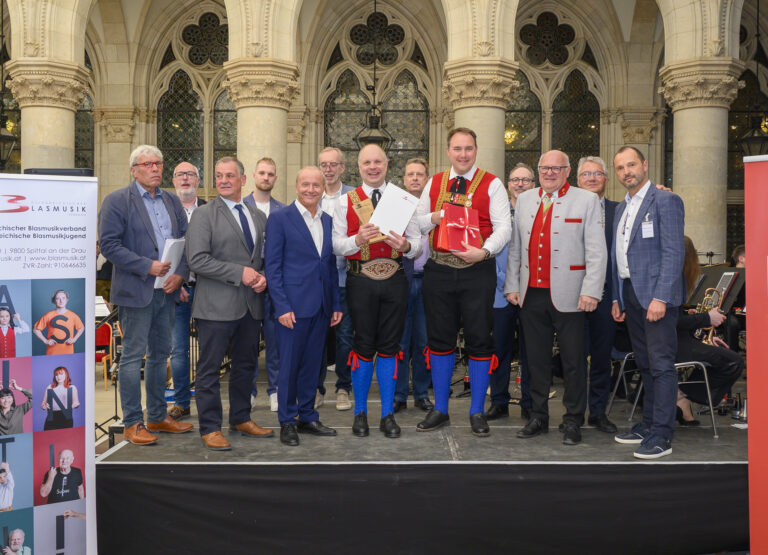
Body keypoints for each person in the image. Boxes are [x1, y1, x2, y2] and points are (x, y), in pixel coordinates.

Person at [414, 127, 511, 436]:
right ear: (448, 151)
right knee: (439, 339)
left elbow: (503, 227)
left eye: (468, 148)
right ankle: (440, 409)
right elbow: (416, 222)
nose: (463, 154)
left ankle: (476, 411)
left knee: (479, 338)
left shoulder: (492, 184)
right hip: (439, 270)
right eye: (457, 148)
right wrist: (436, 217)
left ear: (476, 150)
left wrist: (483, 252)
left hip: (477, 271)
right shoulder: (434, 182)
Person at [505, 150, 606, 445]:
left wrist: (590, 290)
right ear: (539, 171)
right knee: (535, 360)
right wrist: (512, 285)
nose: (550, 173)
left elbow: (596, 251)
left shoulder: (586, 200)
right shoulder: (525, 199)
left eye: (556, 168)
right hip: (531, 294)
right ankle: (538, 415)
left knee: (573, 361)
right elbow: (515, 249)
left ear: (567, 170)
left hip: (572, 294)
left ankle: (573, 419)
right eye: (544, 168)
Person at [98, 144, 194, 445]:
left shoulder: (170, 199)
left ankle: (156, 415)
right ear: (134, 169)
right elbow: (110, 246)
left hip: (166, 291)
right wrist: (147, 266)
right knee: (131, 358)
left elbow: (185, 241)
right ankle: (132, 422)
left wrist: (179, 276)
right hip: (136, 291)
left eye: (159, 163)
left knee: (160, 356)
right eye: (148, 164)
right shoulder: (116, 201)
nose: (155, 168)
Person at [332, 144, 422, 438]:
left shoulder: (403, 199)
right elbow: (335, 245)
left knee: (390, 346)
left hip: (395, 279)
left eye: (378, 162)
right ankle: (360, 413)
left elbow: (418, 242)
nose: (373, 167)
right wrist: (356, 240)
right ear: (358, 167)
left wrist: (407, 247)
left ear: (387, 165)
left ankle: (387, 415)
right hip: (360, 281)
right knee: (363, 345)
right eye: (367, 162)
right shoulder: (345, 201)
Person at [186, 156, 274, 451]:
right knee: (209, 369)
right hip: (215, 307)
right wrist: (242, 274)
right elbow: (196, 260)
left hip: (250, 306)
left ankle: (241, 418)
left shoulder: (257, 216)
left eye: (229, 176)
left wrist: (262, 277)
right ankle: (210, 427)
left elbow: (261, 260)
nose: (223, 180)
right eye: (218, 175)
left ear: (242, 179)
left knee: (246, 366)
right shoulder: (204, 214)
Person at [611, 145, 685, 460]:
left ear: (644, 164)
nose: (627, 172)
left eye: (631, 165)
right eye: (620, 168)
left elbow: (673, 253)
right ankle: (648, 423)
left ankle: (661, 435)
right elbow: (619, 256)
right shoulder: (621, 208)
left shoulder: (665, 200)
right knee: (644, 364)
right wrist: (617, 296)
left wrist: (661, 297)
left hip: (656, 297)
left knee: (661, 366)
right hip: (630, 294)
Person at [265, 166, 343, 446]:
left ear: (323, 188)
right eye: (305, 184)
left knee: (313, 367)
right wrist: (282, 307)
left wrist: (334, 302)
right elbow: (272, 268)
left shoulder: (327, 220)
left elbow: (330, 265)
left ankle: (307, 416)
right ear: (296, 186)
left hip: (321, 307)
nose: (311, 189)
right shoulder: (280, 219)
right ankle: (287, 420)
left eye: (316, 185)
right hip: (292, 310)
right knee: (289, 367)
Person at [675, 236, 744, 424]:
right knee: (734, 361)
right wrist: (706, 318)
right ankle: (681, 395)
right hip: (671, 344)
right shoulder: (673, 278)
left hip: (677, 339)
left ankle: (682, 397)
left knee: (721, 355)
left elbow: (674, 317)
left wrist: (705, 338)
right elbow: (671, 321)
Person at [487, 163, 535, 422]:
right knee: (500, 350)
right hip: (500, 294)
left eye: (525, 180)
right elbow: (490, 253)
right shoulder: (497, 213)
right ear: (508, 185)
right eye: (515, 180)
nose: (520, 184)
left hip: (531, 295)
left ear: (534, 184)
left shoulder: (541, 210)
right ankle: (499, 401)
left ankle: (529, 402)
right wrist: (507, 286)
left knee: (531, 351)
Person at [575, 156, 619, 434]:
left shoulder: (621, 210)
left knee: (602, 359)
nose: (591, 178)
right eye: (586, 174)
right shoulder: (563, 210)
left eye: (597, 174)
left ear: (606, 179)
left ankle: (599, 412)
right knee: (574, 359)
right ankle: (575, 413)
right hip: (572, 297)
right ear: (577, 180)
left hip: (607, 298)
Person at [243, 157, 285, 413]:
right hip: (246, 284)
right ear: (253, 176)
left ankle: (276, 390)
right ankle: (247, 391)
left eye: (271, 174)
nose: (266, 177)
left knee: (275, 343)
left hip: (273, 285)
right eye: (262, 173)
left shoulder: (283, 210)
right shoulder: (240, 206)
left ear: (275, 179)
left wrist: (269, 277)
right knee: (246, 344)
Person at [394, 158, 434, 414]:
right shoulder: (395, 206)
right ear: (404, 179)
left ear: (427, 178)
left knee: (423, 341)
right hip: (401, 280)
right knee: (399, 341)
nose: (415, 178)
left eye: (420, 174)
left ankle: (421, 393)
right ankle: (398, 395)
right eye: (411, 174)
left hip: (429, 280)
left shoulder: (435, 207)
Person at [168, 161, 206, 421]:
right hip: (175, 291)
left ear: (198, 181)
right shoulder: (164, 209)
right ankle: (182, 402)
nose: (185, 179)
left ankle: (207, 402)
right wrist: (177, 280)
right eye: (180, 174)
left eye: (190, 174)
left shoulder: (211, 210)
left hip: (208, 290)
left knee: (210, 349)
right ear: (173, 181)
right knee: (178, 351)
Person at [318, 147, 355, 411]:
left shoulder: (355, 196)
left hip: (345, 278)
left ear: (342, 167)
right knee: (317, 336)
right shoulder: (309, 194)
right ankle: (316, 389)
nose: (328, 169)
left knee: (345, 337)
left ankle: (343, 388)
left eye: (333, 165)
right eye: (324, 165)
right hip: (317, 281)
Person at [33, 290, 84, 355]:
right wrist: (45, 341)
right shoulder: (48, 315)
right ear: (54, 301)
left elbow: (81, 328)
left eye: (63, 298)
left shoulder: (73, 315)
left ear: (67, 300)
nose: (61, 301)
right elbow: (36, 330)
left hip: (68, 352)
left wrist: (74, 339)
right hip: (52, 352)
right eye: (58, 298)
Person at [41, 366, 80, 430]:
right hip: (51, 419)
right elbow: (42, 404)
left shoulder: (72, 388)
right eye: (56, 375)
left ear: (66, 375)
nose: (59, 377)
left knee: (65, 438)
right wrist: (44, 406)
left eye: (61, 374)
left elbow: (76, 402)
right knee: (49, 439)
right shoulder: (49, 387)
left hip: (66, 419)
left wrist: (75, 405)